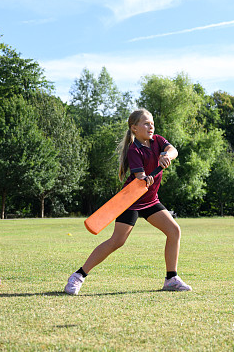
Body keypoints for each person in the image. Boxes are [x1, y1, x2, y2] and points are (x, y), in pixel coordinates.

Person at [65, 108, 192, 295]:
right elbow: (140, 176)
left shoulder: (157, 140)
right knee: (117, 241)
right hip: (131, 201)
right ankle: (78, 276)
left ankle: (171, 278)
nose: (151, 126)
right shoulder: (134, 150)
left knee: (174, 231)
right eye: (146, 123)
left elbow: (173, 150)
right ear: (134, 128)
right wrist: (144, 178)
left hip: (150, 201)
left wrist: (167, 156)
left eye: (152, 123)